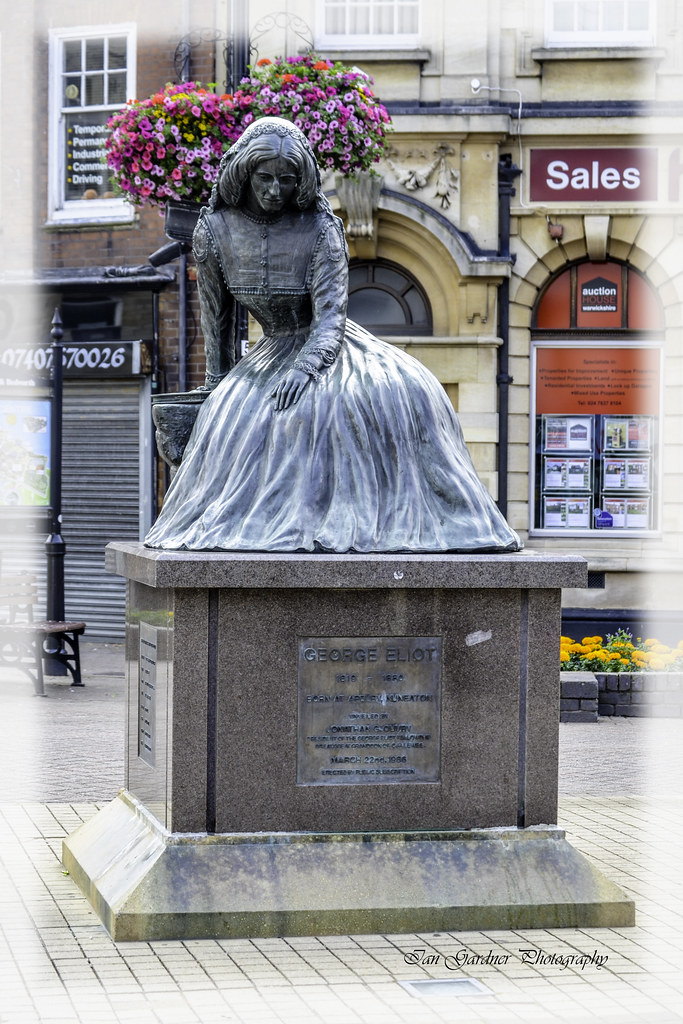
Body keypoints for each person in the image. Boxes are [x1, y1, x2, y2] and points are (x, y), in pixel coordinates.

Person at [145, 117, 521, 553]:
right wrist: (217, 394)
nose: (274, 191)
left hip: (326, 348)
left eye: (286, 181)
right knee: (251, 422)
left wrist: (304, 371)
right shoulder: (214, 232)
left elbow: (330, 318)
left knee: (399, 396)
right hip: (267, 354)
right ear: (244, 174)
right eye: (264, 178)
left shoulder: (323, 230)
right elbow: (218, 327)